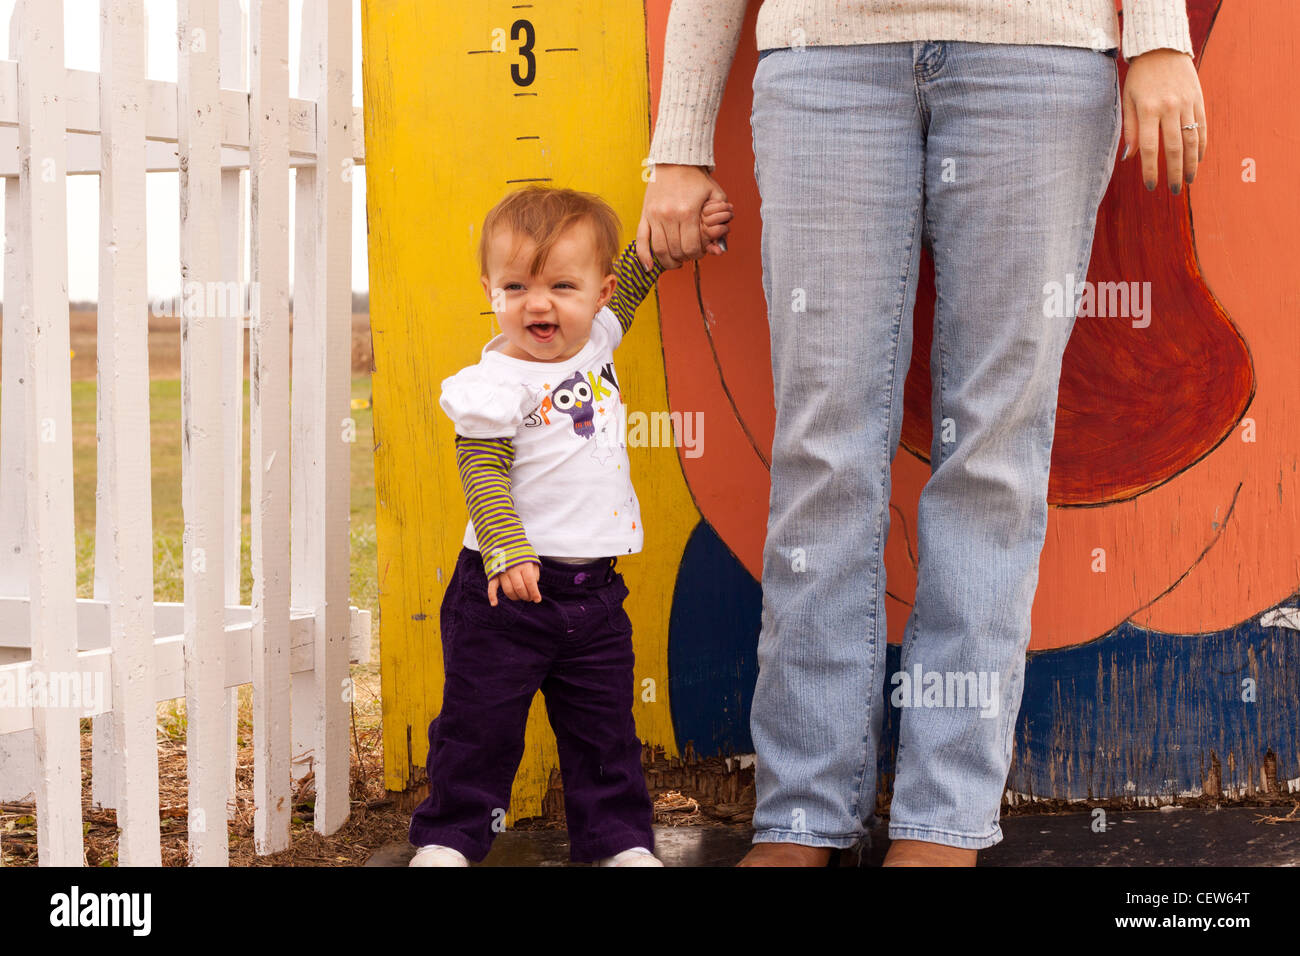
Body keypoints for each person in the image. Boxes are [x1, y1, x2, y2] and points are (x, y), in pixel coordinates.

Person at [639, 0, 1205, 866]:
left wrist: (1160, 35)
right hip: (823, 59)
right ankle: (800, 817)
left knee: (995, 454)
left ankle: (942, 822)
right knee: (822, 451)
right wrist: (679, 141)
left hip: (1039, 56)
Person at [408, 185, 732, 866]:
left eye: (562, 284)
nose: (538, 303)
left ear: (596, 291)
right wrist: (507, 548)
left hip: (592, 598)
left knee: (604, 733)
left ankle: (618, 843)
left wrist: (687, 230)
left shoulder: (599, 339)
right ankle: (448, 839)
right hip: (504, 595)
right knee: (479, 727)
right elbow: (483, 470)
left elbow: (640, 274)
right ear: (491, 291)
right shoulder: (494, 381)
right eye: (516, 284)